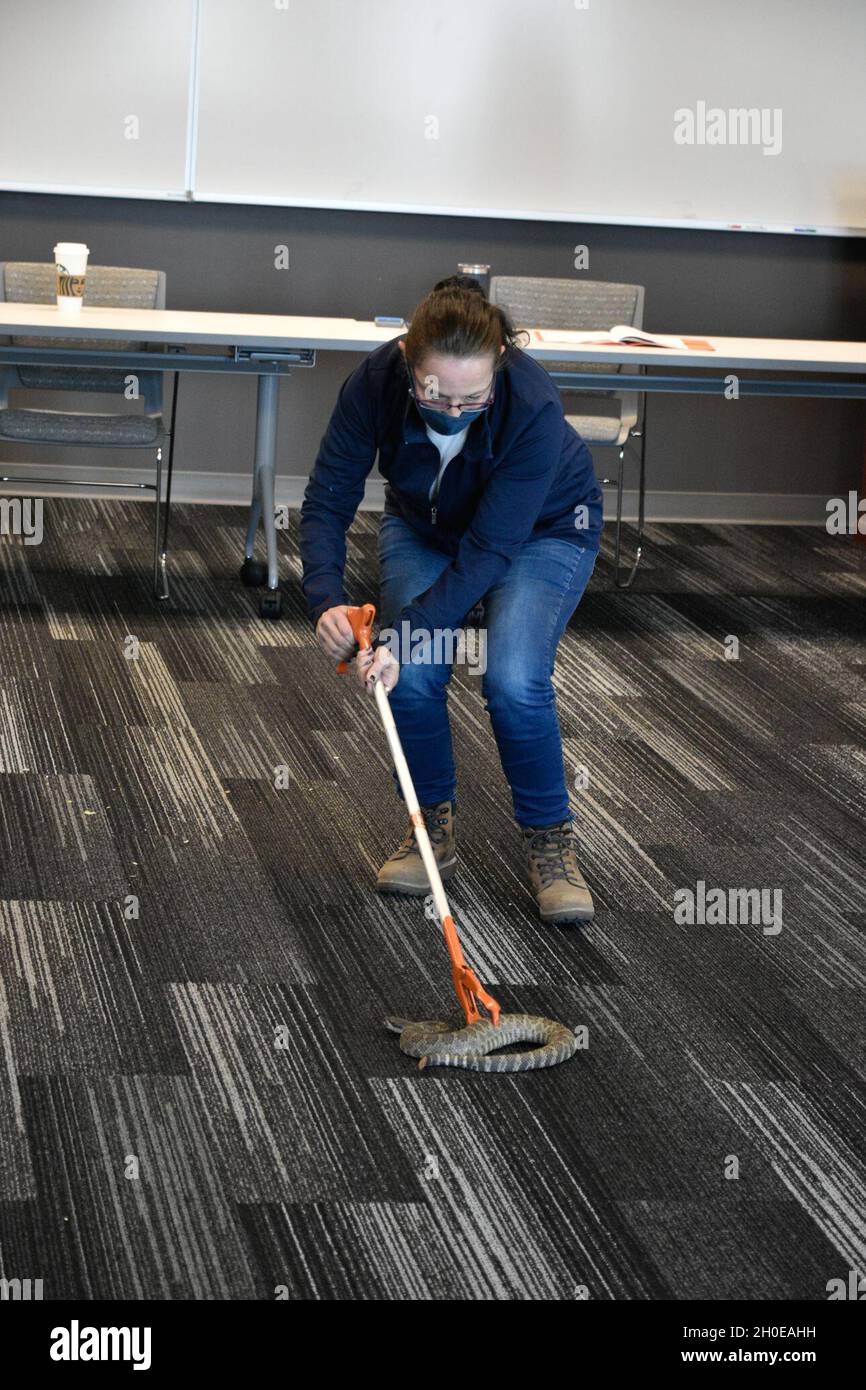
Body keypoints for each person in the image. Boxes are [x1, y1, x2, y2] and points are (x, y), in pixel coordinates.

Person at [300, 275, 603, 923]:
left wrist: (398, 635)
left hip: (544, 531)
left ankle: (550, 840)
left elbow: (492, 553)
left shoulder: (533, 405)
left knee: (515, 679)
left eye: (475, 397)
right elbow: (329, 496)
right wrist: (326, 598)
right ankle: (428, 827)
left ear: (498, 367)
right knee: (405, 677)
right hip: (426, 525)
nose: (455, 411)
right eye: (436, 393)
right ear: (409, 364)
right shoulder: (374, 384)